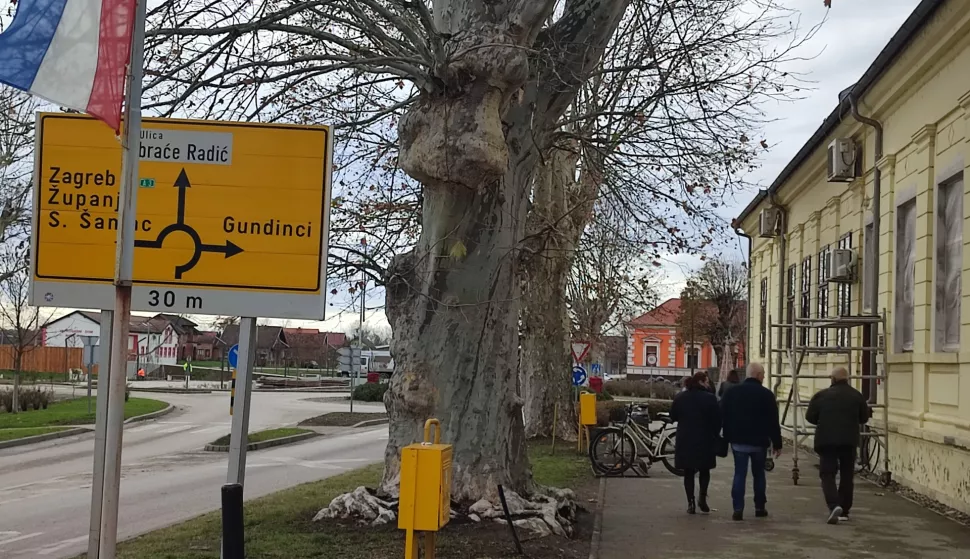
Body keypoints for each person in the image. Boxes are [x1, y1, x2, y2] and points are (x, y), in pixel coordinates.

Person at [806, 366, 871, 525]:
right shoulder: (857, 396)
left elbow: (810, 417)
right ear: (847, 379)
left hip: (826, 440)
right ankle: (845, 509)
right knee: (847, 474)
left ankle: (834, 505)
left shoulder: (821, 396)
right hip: (849, 441)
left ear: (832, 379)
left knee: (827, 474)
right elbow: (864, 418)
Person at [720, 362, 782, 521]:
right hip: (759, 442)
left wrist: (725, 436)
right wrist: (777, 443)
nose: (764, 376)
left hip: (738, 440)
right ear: (758, 375)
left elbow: (723, 414)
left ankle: (738, 509)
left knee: (739, 473)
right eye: (763, 374)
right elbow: (773, 421)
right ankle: (759, 507)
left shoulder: (732, 392)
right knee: (759, 474)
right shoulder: (766, 395)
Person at [670, 372, 721, 514]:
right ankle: (702, 499)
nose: (708, 384)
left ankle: (690, 503)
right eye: (707, 381)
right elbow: (718, 420)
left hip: (685, 439)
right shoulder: (710, 398)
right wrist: (715, 434)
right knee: (705, 470)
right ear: (701, 382)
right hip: (705, 439)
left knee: (688, 472)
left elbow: (673, 416)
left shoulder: (681, 397)